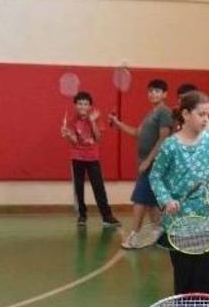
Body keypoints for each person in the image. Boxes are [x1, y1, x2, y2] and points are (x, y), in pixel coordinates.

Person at [149, 90, 209, 294]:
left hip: (207, 222)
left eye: (208, 114)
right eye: (201, 114)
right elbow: (155, 176)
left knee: (206, 280)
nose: (206, 119)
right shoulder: (170, 145)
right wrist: (166, 199)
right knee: (185, 280)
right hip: (179, 224)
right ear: (186, 114)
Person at [109, 79, 173, 249]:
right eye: (151, 91)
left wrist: (148, 161)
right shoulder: (150, 114)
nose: (153, 94)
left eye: (157, 91)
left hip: (155, 165)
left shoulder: (164, 113)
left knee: (139, 199)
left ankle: (134, 236)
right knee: (152, 202)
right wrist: (117, 123)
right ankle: (161, 235)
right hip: (147, 164)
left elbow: (163, 139)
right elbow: (137, 132)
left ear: (165, 94)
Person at [61, 91, 120, 227]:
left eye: (85, 104)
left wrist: (92, 121)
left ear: (90, 106)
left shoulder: (96, 118)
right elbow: (75, 141)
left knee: (98, 187)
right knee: (78, 188)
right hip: (77, 158)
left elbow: (98, 138)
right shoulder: (72, 120)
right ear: (75, 105)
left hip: (92, 158)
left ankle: (107, 216)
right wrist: (68, 134)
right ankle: (82, 215)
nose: (82, 106)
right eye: (80, 104)